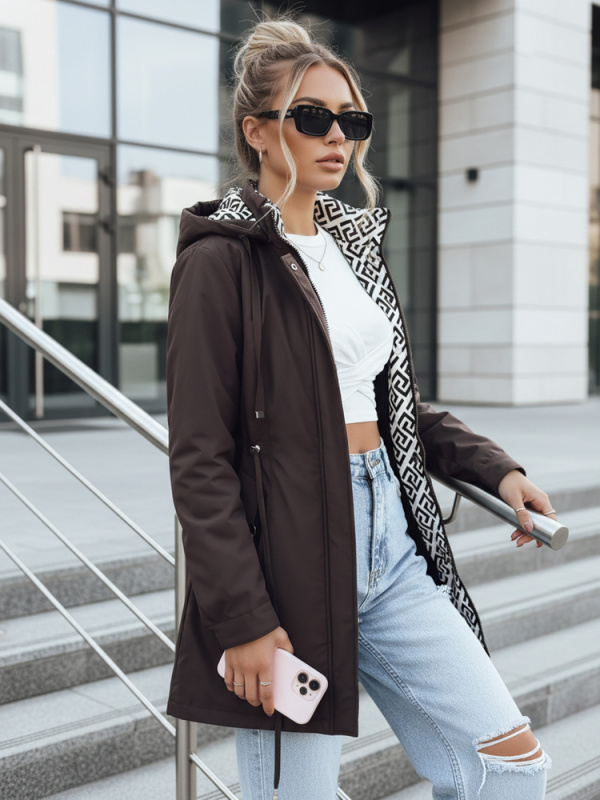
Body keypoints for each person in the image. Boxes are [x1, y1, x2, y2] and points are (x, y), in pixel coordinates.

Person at [165, 15, 554, 800]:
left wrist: (496, 469)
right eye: (312, 117)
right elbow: (200, 459)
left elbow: (394, 400)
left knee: (510, 766)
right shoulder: (220, 261)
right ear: (257, 131)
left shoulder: (352, 250)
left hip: (390, 544)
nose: (338, 136)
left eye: (353, 121)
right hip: (287, 560)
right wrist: (242, 618)